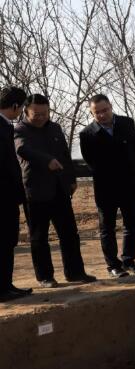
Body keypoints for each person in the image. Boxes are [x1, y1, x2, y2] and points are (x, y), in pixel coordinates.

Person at [14, 94, 96, 288]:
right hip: (35, 191)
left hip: (60, 188)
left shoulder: (55, 128)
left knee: (69, 233)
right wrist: (47, 161)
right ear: (26, 111)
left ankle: (75, 272)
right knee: (39, 237)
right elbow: (23, 150)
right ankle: (45, 277)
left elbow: (65, 155)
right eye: (36, 114)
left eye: (45, 113)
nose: (41, 117)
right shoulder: (19, 130)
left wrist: (71, 179)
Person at [79, 94, 135, 279]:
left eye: (105, 110)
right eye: (97, 112)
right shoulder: (87, 134)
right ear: (91, 113)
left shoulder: (127, 123)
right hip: (105, 187)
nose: (102, 115)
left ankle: (129, 260)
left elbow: (133, 151)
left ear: (111, 106)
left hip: (129, 184)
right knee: (107, 228)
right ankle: (113, 265)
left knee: (131, 225)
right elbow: (91, 161)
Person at [0, 87, 33, 302]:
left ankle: (6, 285)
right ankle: (2, 289)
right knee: (4, 241)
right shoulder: (2, 127)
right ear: (15, 106)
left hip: (6, 195)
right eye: (21, 108)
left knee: (6, 242)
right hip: (3, 197)